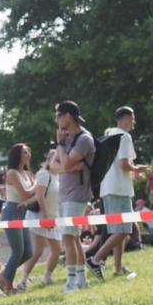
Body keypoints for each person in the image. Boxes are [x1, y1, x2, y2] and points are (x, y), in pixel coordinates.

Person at [86, 106, 147, 280]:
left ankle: (118, 268)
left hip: (108, 188)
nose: (134, 122)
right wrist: (137, 168)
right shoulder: (124, 136)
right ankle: (96, 260)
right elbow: (123, 164)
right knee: (124, 230)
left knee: (117, 230)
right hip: (119, 189)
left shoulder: (110, 133)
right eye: (132, 118)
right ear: (126, 118)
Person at [51, 101, 95, 293]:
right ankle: (82, 280)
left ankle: (70, 283)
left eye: (58, 115)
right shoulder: (66, 137)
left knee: (67, 237)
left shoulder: (84, 138)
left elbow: (65, 162)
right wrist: (65, 167)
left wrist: (61, 147)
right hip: (64, 193)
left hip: (77, 193)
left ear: (67, 116)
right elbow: (52, 166)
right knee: (74, 238)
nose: (56, 120)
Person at [0, 143, 35, 293]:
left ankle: (3, 276)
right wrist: (38, 184)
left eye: (28, 151)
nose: (28, 154)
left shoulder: (26, 173)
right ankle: (7, 285)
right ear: (17, 155)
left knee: (28, 252)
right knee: (18, 251)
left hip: (21, 213)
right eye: (24, 152)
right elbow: (27, 193)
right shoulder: (12, 173)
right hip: (11, 212)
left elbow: (32, 195)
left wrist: (34, 188)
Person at [17, 149, 63, 288]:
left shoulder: (57, 177)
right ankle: (23, 281)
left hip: (52, 217)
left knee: (56, 250)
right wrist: (46, 216)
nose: (59, 163)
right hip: (40, 217)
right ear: (49, 160)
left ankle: (46, 278)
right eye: (56, 160)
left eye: (61, 160)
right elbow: (40, 196)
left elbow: (40, 196)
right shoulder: (44, 174)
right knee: (37, 252)